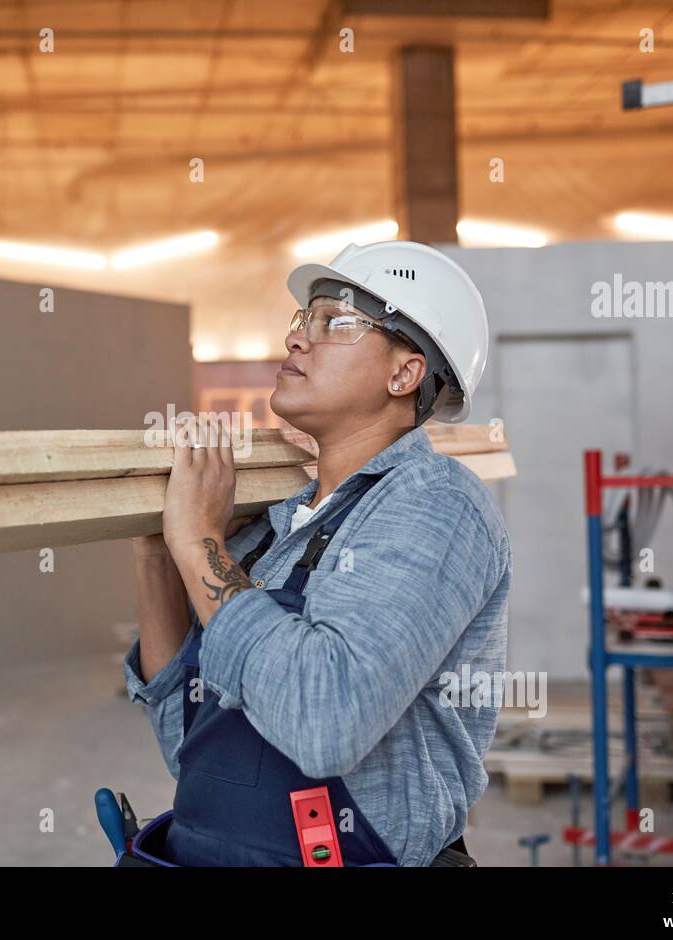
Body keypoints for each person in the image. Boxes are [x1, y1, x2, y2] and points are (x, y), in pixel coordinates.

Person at [124, 239, 511, 866]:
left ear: (404, 373)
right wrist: (156, 548)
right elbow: (190, 747)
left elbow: (324, 720)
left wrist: (198, 541)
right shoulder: (270, 530)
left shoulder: (436, 503)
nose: (298, 339)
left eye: (337, 322)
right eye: (304, 320)